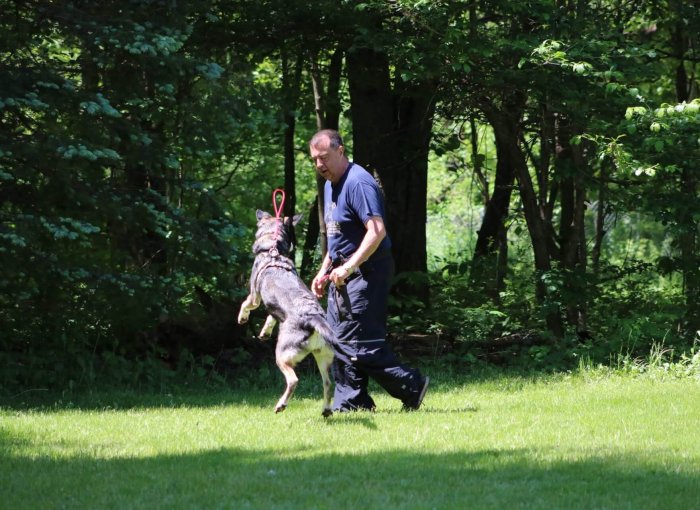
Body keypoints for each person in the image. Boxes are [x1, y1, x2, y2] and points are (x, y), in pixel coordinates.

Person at [309, 129, 429, 412]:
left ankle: (411, 385)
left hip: (367, 271)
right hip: (342, 272)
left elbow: (376, 232)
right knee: (336, 338)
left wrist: (349, 267)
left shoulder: (358, 182)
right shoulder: (329, 184)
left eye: (324, 158)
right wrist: (323, 270)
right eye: (314, 160)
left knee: (359, 343)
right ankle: (353, 402)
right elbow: (338, 237)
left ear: (340, 151)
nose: (319, 165)